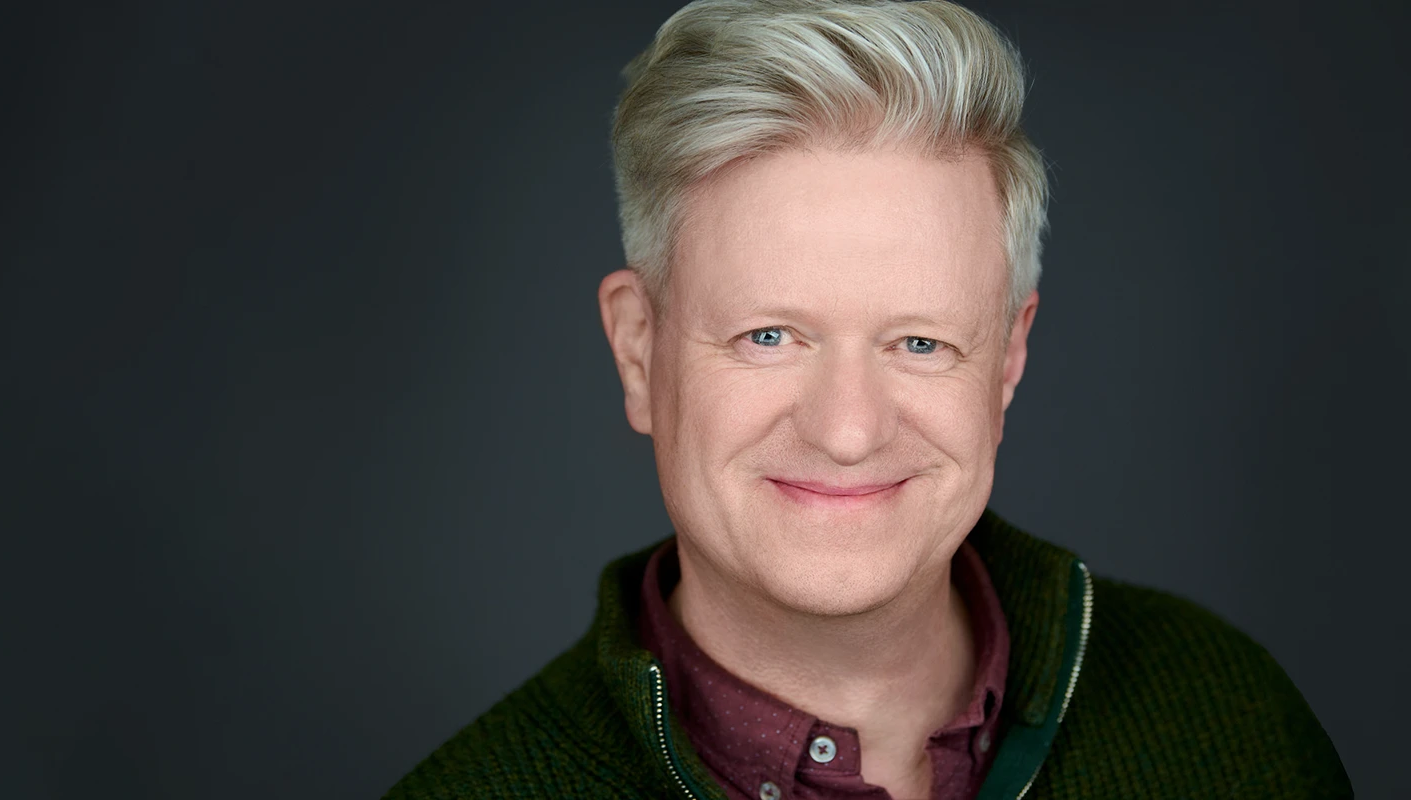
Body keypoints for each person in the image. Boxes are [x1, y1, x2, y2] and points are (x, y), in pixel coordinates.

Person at [387, 0, 1350, 797]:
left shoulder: (1232, 724)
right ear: (639, 351)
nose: (848, 430)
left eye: (920, 342)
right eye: (770, 337)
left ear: (1008, 358)